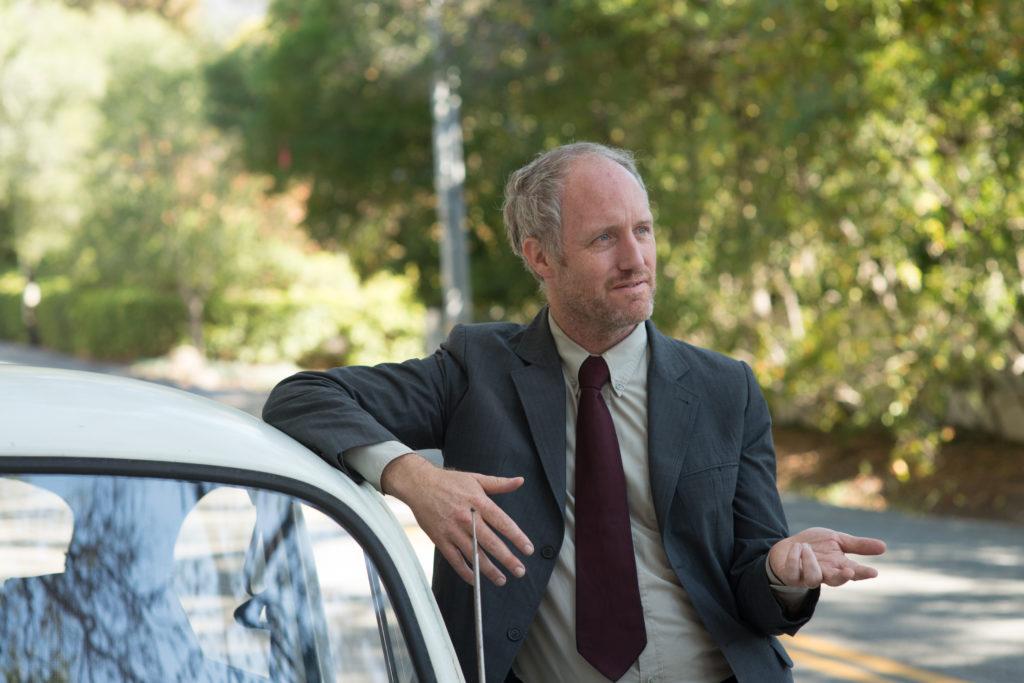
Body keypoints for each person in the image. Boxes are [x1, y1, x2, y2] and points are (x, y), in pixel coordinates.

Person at [263, 142, 886, 683]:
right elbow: (302, 397)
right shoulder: (476, 369)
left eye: (642, 230)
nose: (635, 259)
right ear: (540, 258)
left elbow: (756, 588)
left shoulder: (727, 388)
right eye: (604, 238)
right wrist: (412, 478)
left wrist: (782, 572)